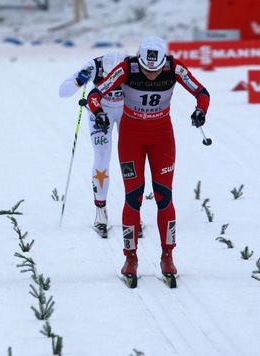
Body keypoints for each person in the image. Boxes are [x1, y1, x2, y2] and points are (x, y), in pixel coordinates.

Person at [86, 36, 210, 286]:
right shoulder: (127, 68)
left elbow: (201, 91)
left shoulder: (174, 68)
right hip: (131, 137)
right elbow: (95, 95)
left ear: (163, 61)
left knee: (164, 196)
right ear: (138, 61)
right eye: (145, 69)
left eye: (155, 70)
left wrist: (200, 110)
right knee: (134, 196)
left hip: (162, 137)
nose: (150, 75)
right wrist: (98, 113)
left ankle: (168, 255)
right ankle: (130, 257)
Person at [59, 50, 125, 238]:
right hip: (99, 112)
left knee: (130, 159)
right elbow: (63, 91)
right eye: (108, 77)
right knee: (102, 158)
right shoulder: (93, 66)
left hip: (124, 112)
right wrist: (79, 81)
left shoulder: (131, 64)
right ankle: (100, 212)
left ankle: (133, 212)